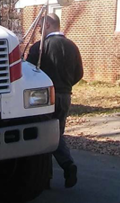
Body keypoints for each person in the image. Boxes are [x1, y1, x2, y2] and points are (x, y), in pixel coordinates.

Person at [26, 13, 83, 188]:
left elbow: (28, 72)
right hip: (65, 95)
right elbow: (79, 73)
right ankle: (55, 173)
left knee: (47, 136)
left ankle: (59, 169)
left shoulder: (40, 48)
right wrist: (66, 86)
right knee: (57, 133)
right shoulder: (72, 46)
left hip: (45, 98)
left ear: (48, 26)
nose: (38, 31)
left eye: (39, 28)